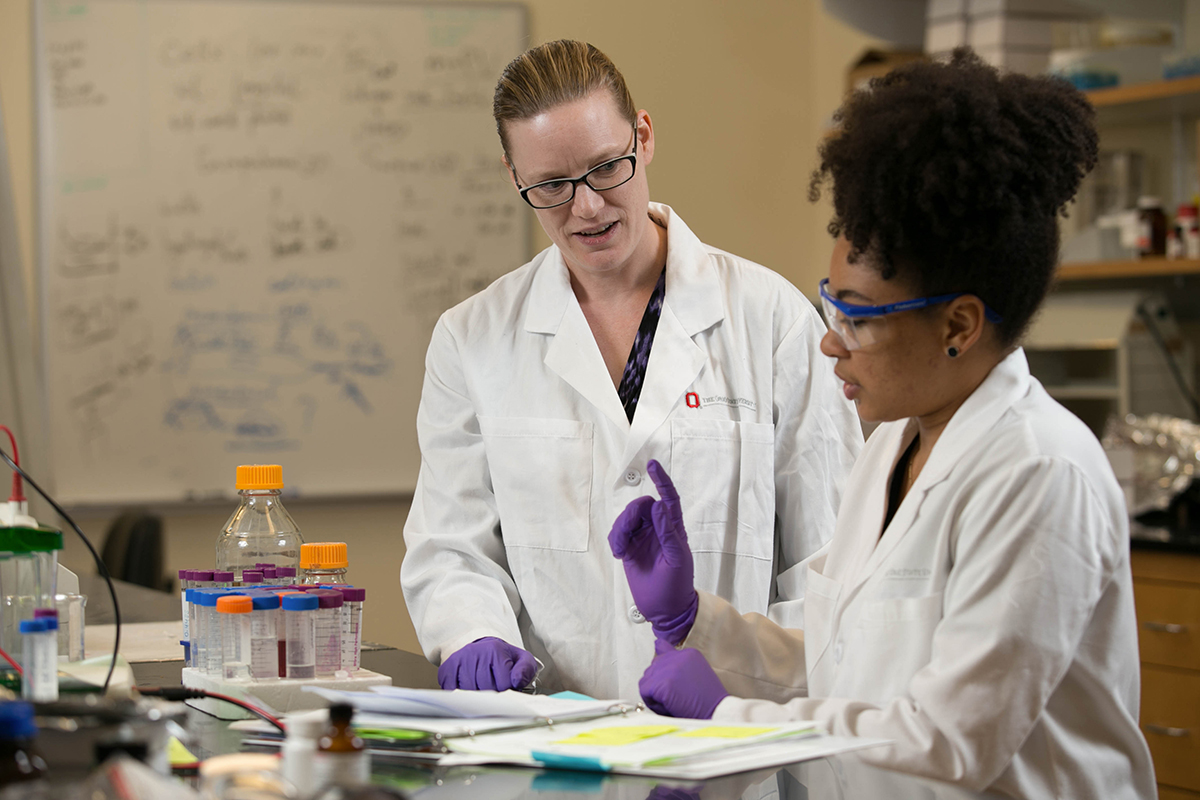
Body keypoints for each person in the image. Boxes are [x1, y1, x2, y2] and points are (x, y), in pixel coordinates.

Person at [609, 51, 1155, 798]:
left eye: (857, 316)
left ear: (958, 324)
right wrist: (694, 619)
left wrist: (729, 718)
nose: (829, 338)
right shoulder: (894, 444)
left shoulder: (1038, 474)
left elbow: (949, 742)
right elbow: (845, 662)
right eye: (830, 302)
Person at [400, 39, 863, 699]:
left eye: (606, 168)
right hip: (549, 746)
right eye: (551, 186)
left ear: (643, 137)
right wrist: (469, 633)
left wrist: (739, 676)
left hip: (730, 750)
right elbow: (452, 544)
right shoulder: (472, 337)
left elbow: (831, 568)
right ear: (513, 177)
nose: (585, 207)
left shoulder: (772, 320)